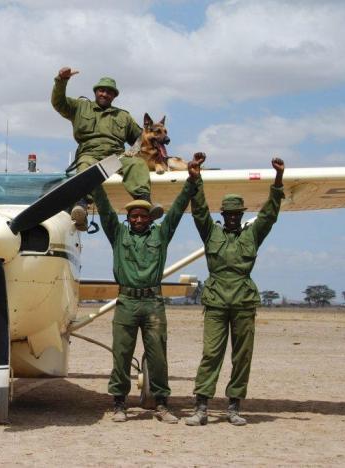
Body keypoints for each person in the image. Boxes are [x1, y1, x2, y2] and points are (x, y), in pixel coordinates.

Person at [93, 153, 203, 423]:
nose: (139, 220)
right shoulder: (118, 235)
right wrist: (93, 179)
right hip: (127, 303)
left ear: (150, 219)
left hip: (153, 303)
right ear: (128, 218)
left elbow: (176, 211)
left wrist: (191, 179)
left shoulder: (160, 235)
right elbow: (105, 208)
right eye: (134, 216)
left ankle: (162, 404)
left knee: (157, 356)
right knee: (121, 353)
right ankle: (119, 404)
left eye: (143, 216)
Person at [184, 157, 286, 427]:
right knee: (211, 354)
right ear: (222, 216)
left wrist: (278, 179)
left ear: (241, 215)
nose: (232, 218)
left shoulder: (252, 235)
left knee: (242, 355)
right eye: (228, 214)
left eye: (236, 214)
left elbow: (270, 213)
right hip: (216, 301)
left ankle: (234, 407)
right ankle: (202, 407)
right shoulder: (210, 233)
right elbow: (199, 210)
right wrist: (196, 178)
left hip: (243, 301)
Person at [51, 66, 161, 231]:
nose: (104, 94)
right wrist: (61, 80)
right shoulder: (80, 107)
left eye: (109, 92)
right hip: (90, 153)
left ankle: (145, 203)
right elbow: (58, 103)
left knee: (137, 164)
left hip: (116, 156)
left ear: (114, 96)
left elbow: (141, 139)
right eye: (101, 91)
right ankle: (81, 207)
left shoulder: (123, 116)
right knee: (85, 167)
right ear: (96, 92)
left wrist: (155, 145)